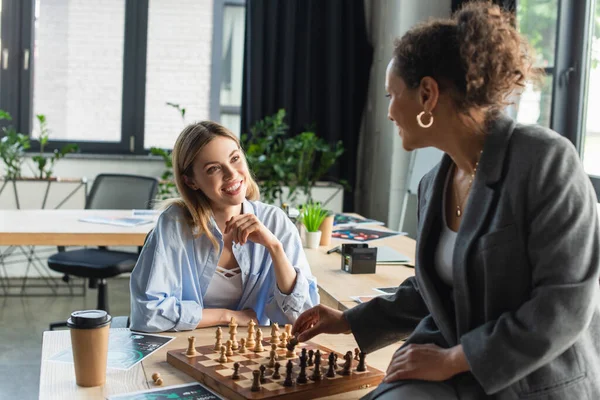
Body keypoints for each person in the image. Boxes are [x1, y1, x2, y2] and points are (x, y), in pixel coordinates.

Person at [293, 2, 600, 399]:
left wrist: (455, 359)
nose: (388, 112)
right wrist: (350, 321)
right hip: (449, 363)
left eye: (391, 95)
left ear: (427, 94)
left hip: (528, 380)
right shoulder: (433, 183)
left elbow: (564, 305)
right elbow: (436, 288)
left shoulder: (544, 160)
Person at [130, 121, 319, 332]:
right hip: (183, 349)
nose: (231, 174)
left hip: (253, 353)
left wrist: (274, 247)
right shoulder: (174, 224)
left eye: (235, 159)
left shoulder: (275, 221)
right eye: (213, 169)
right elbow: (147, 313)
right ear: (191, 181)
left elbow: (304, 316)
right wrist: (226, 316)